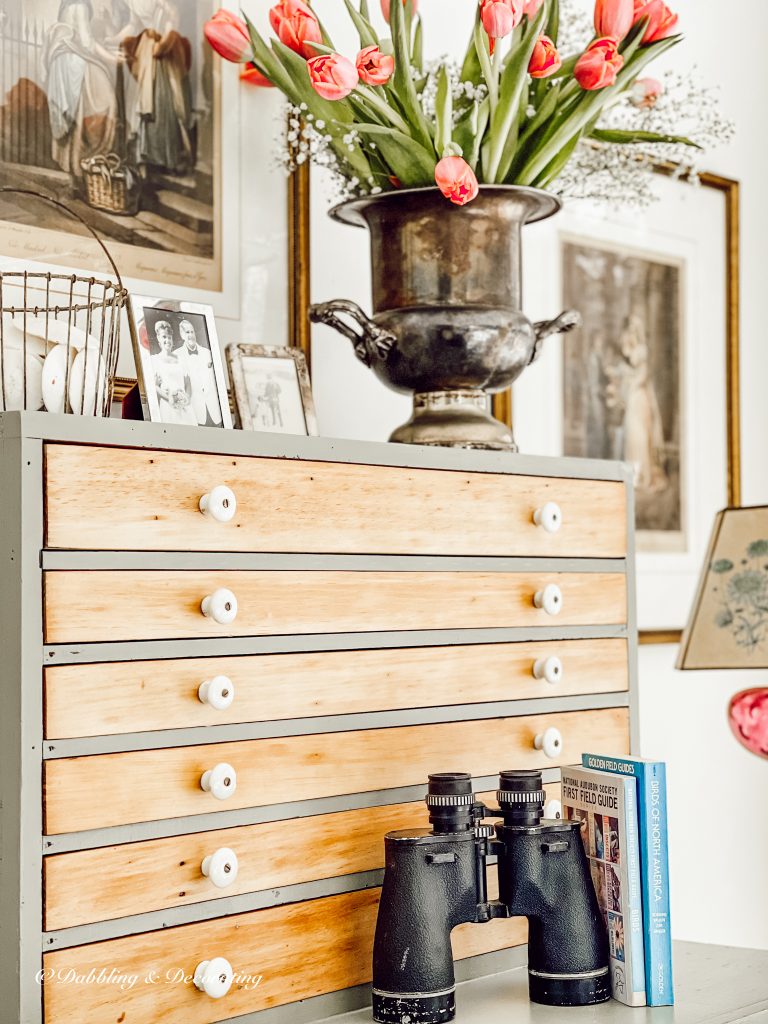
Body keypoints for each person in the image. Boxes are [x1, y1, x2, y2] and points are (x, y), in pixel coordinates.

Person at [43, 0, 122, 185]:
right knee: (107, 103)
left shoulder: (67, 5)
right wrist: (112, 58)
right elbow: (87, 42)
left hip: (62, 64)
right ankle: (90, 160)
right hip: (73, 64)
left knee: (75, 118)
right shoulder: (79, 6)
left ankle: (75, 169)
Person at [177, 319, 222, 426]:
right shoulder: (177, 355)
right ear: (182, 335)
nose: (191, 335)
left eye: (192, 332)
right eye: (187, 332)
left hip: (215, 411)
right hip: (194, 412)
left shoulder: (208, 353)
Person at [152, 320, 196, 425]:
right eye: (164, 337)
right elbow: (154, 386)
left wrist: (187, 398)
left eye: (169, 337)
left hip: (184, 405)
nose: (167, 340)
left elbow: (188, 384)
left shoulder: (181, 359)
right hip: (168, 406)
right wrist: (171, 398)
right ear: (158, 338)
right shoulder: (154, 359)